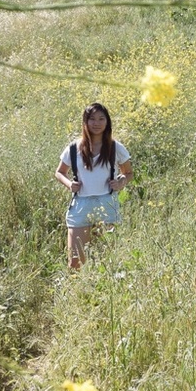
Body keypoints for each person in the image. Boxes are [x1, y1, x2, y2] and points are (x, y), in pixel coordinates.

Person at [55, 102, 132, 270]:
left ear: (107, 122)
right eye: (92, 119)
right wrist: (70, 184)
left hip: (107, 203)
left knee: (107, 258)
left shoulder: (115, 147)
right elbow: (59, 172)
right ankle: (76, 293)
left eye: (101, 119)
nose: (96, 123)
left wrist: (121, 183)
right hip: (81, 205)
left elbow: (128, 173)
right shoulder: (74, 147)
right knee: (75, 261)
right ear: (85, 122)